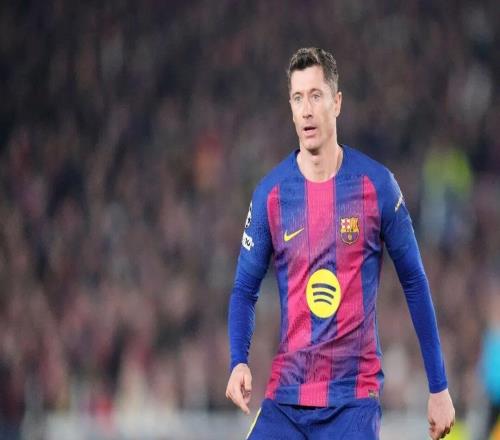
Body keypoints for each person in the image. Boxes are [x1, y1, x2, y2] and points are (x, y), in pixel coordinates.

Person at [225, 47, 455, 440]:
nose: (307, 110)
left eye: (316, 96)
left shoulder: (376, 186)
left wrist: (439, 387)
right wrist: (238, 361)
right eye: (298, 98)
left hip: (352, 402)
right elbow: (244, 289)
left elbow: (414, 282)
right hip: (286, 399)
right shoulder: (271, 195)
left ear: (337, 102)